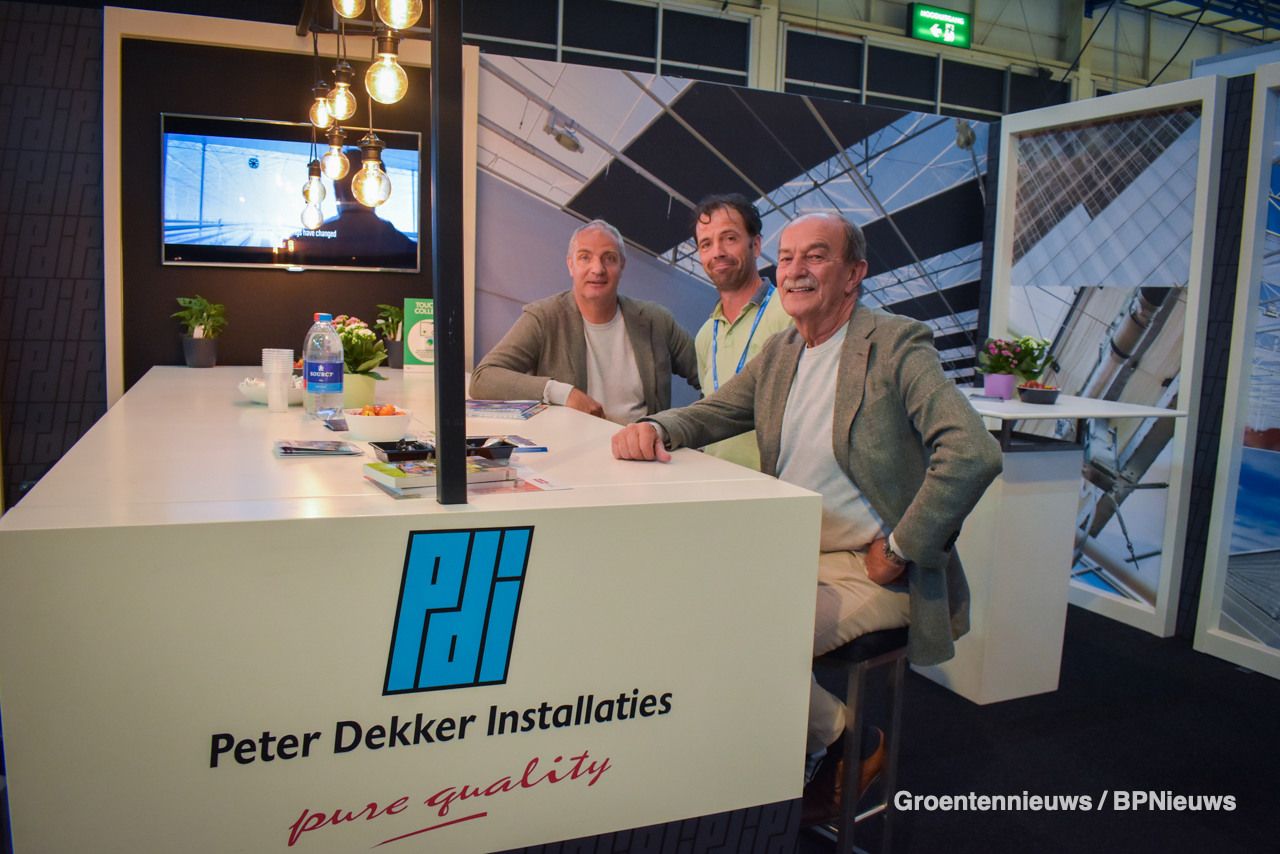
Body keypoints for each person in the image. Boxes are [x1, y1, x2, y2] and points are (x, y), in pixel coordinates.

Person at [611, 212, 1003, 825]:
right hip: (792, 549)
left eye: (815, 256)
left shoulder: (895, 344)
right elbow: (715, 411)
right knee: (675, 610)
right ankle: (799, 748)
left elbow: (973, 452)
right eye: (787, 257)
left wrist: (900, 548)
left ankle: (850, 743)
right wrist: (656, 426)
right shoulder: (783, 350)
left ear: (854, 274)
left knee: (737, 637)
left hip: (869, 567)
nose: (794, 270)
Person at [469, 219, 699, 425]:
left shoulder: (656, 321)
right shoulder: (544, 318)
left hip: (644, 455)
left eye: (609, 258)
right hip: (571, 453)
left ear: (622, 266)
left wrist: (686, 429)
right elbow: (483, 378)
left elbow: (710, 376)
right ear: (571, 265)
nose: (597, 269)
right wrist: (562, 392)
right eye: (585, 257)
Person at [690, 194, 792, 469]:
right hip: (714, 479)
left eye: (729, 238)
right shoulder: (705, 335)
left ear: (756, 245)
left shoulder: (789, 313)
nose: (717, 252)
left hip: (774, 483)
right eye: (706, 244)